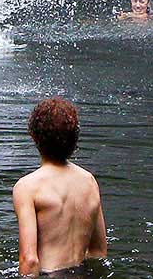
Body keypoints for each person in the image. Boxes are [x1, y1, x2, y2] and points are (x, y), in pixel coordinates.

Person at [12, 98, 107, 278]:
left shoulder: (28, 187)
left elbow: (29, 260)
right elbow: (98, 251)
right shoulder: (89, 181)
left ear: (34, 136)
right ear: (74, 139)